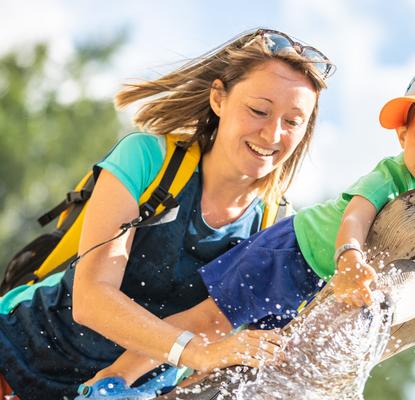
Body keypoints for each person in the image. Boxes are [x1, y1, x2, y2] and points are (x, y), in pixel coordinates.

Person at [83, 56, 415, 394]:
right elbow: (357, 215)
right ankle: (113, 379)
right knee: (213, 319)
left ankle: (167, 389)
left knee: (262, 359)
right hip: (293, 250)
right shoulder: (389, 174)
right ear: (403, 134)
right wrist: (349, 257)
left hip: (319, 283)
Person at [0, 28, 334, 400]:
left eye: (293, 122)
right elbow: (91, 298)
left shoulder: (275, 228)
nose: (272, 134)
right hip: (18, 354)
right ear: (219, 98)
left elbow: (228, 338)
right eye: (259, 110)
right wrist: (198, 353)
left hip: (119, 391)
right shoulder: (147, 158)